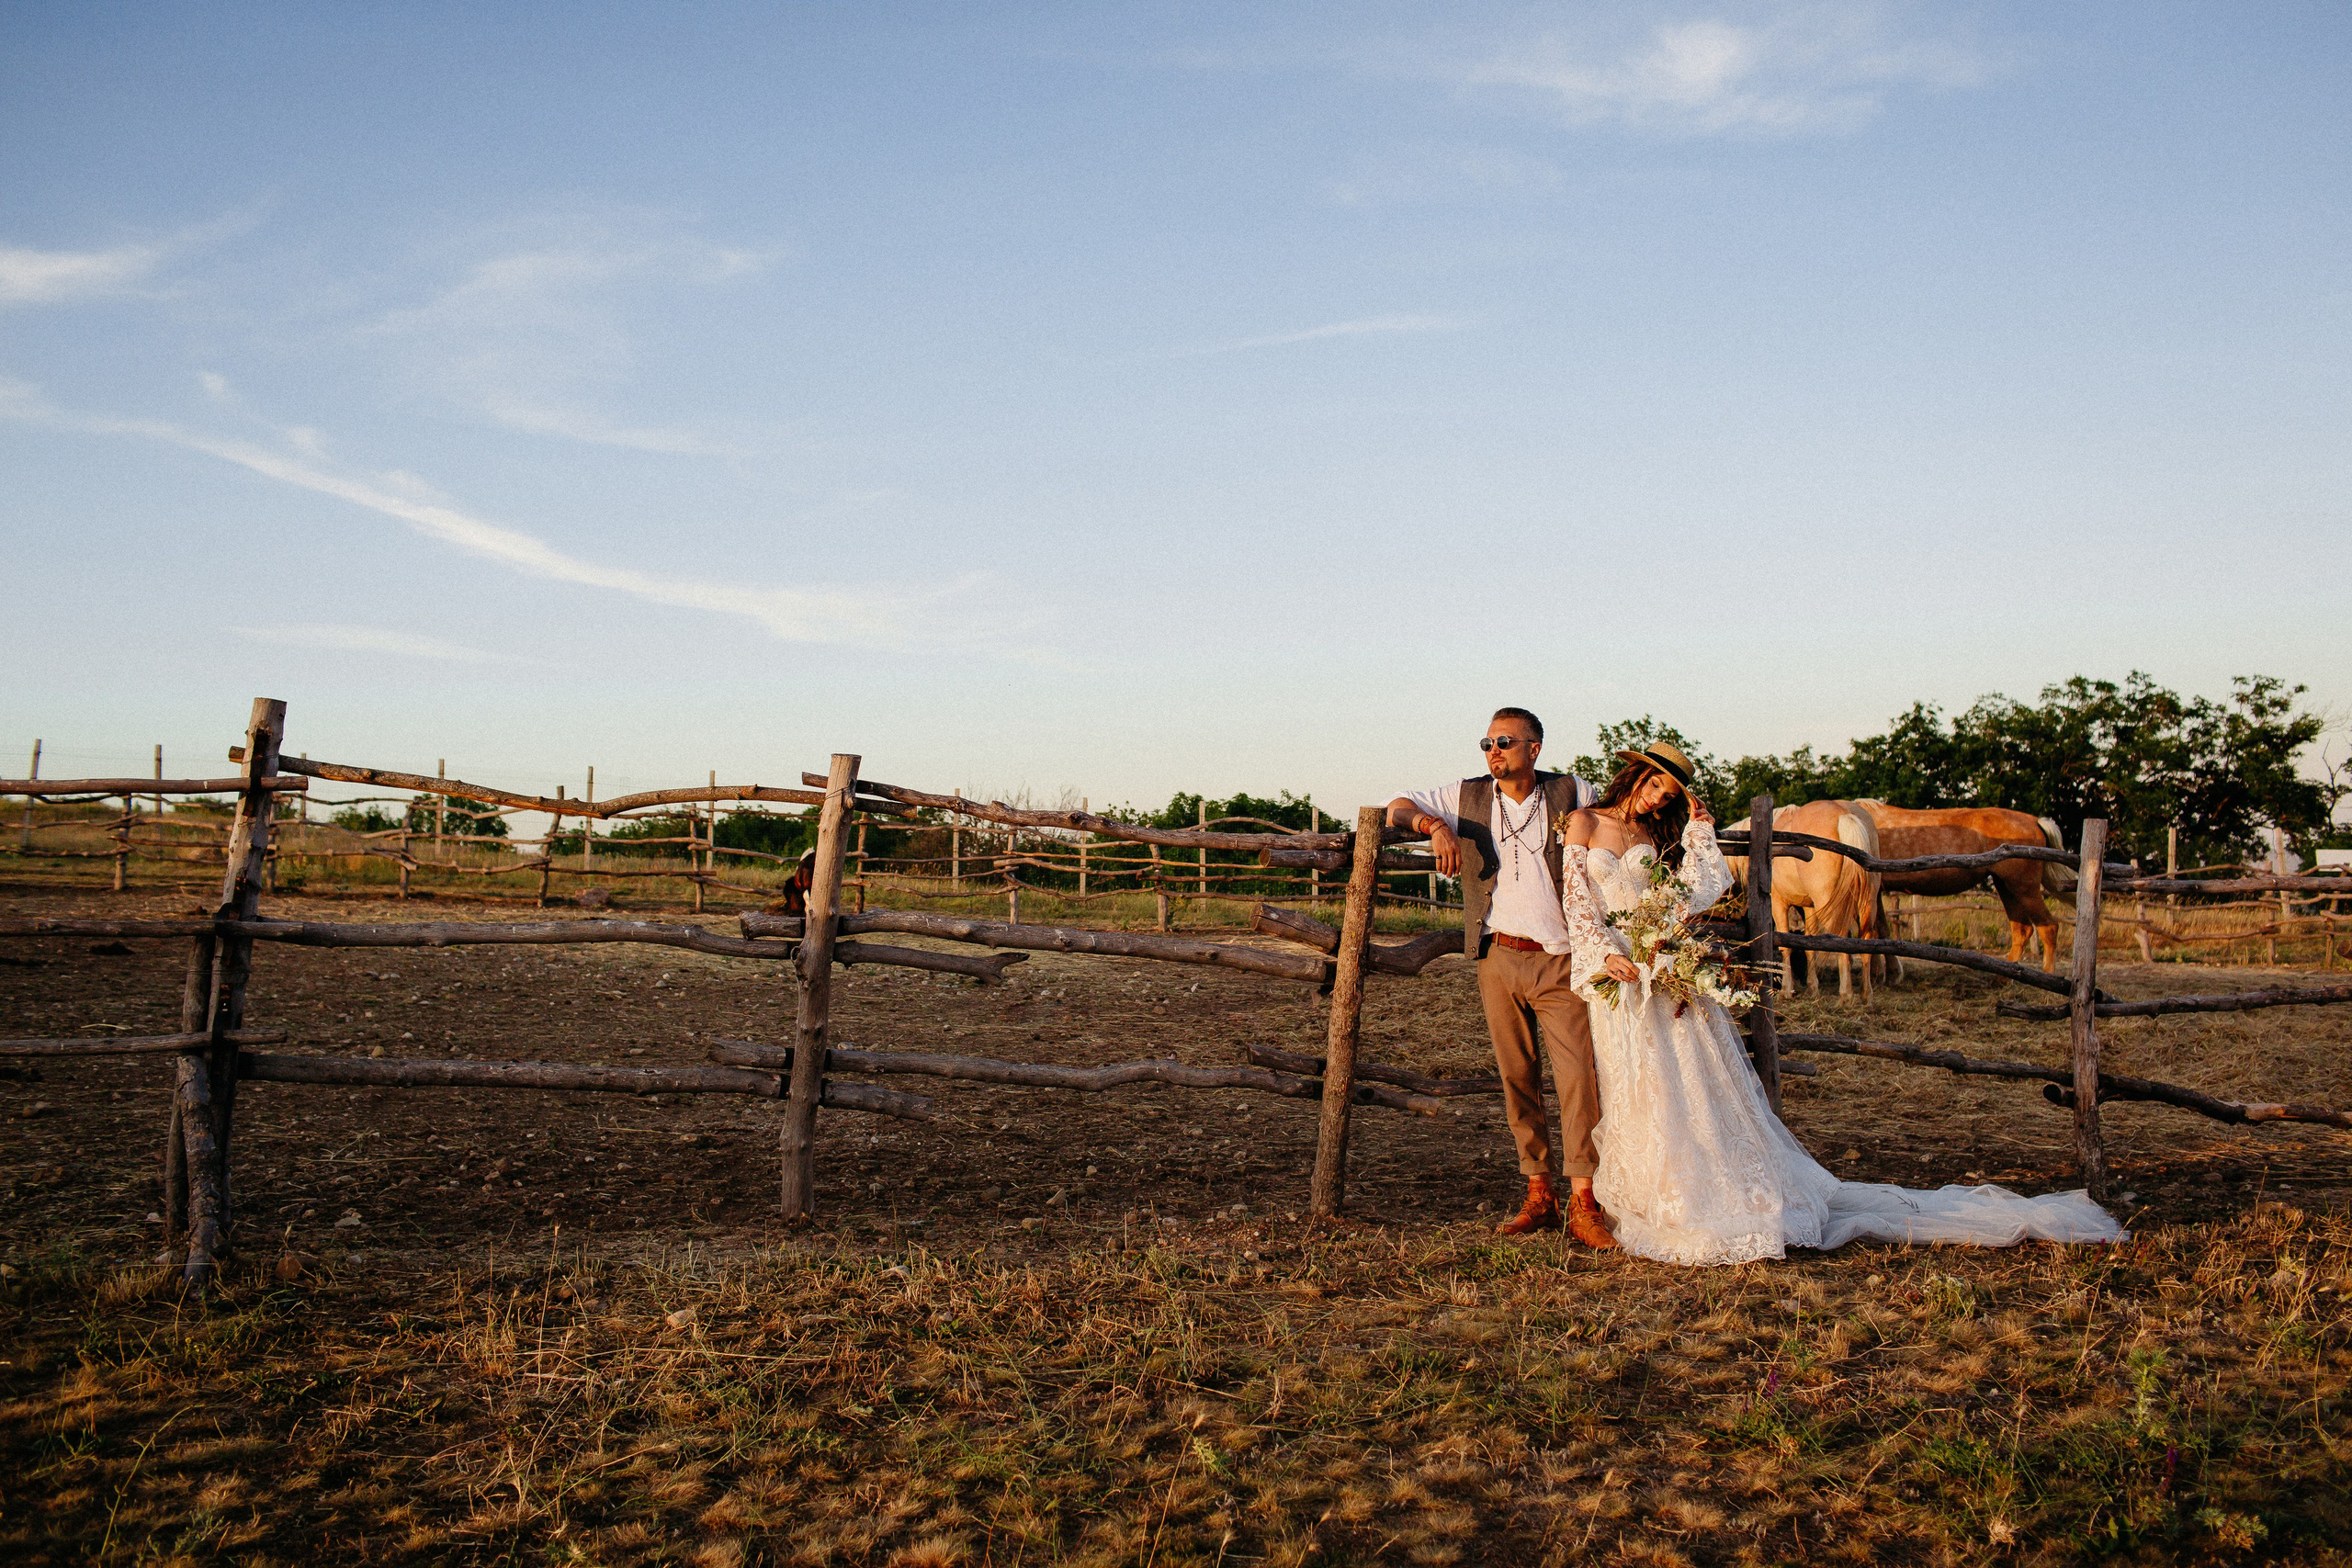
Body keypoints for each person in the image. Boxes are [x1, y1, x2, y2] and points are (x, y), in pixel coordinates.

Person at [1559, 740, 2126, 1265]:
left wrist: (1700, 841)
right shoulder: (1584, 822)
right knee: (1638, 1081)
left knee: (1683, 1081)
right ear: (1635, 774)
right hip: (1617, 971)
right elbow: (1576, 899)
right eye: (1655, 785)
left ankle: (1699, 1192)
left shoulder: (1654, 838)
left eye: (1669, 794)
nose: (1658, 799)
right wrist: (1603, 954)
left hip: (1663, 967)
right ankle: (1656, 1190)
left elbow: (1686, 895)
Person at [1387, 707, 1615, 1247]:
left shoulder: (1573, 791)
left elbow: (1624, 820)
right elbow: (1397, 806)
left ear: (1534, 748)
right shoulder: (1465, 796)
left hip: (1562, 958)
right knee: (1518, 1078)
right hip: (1497, 956)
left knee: (1580, 1080)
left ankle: (1586, 1199)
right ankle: (1540, 1191)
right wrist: (1433, 825)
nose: (1494, 751)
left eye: (1505, 742)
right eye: (1486, 743)